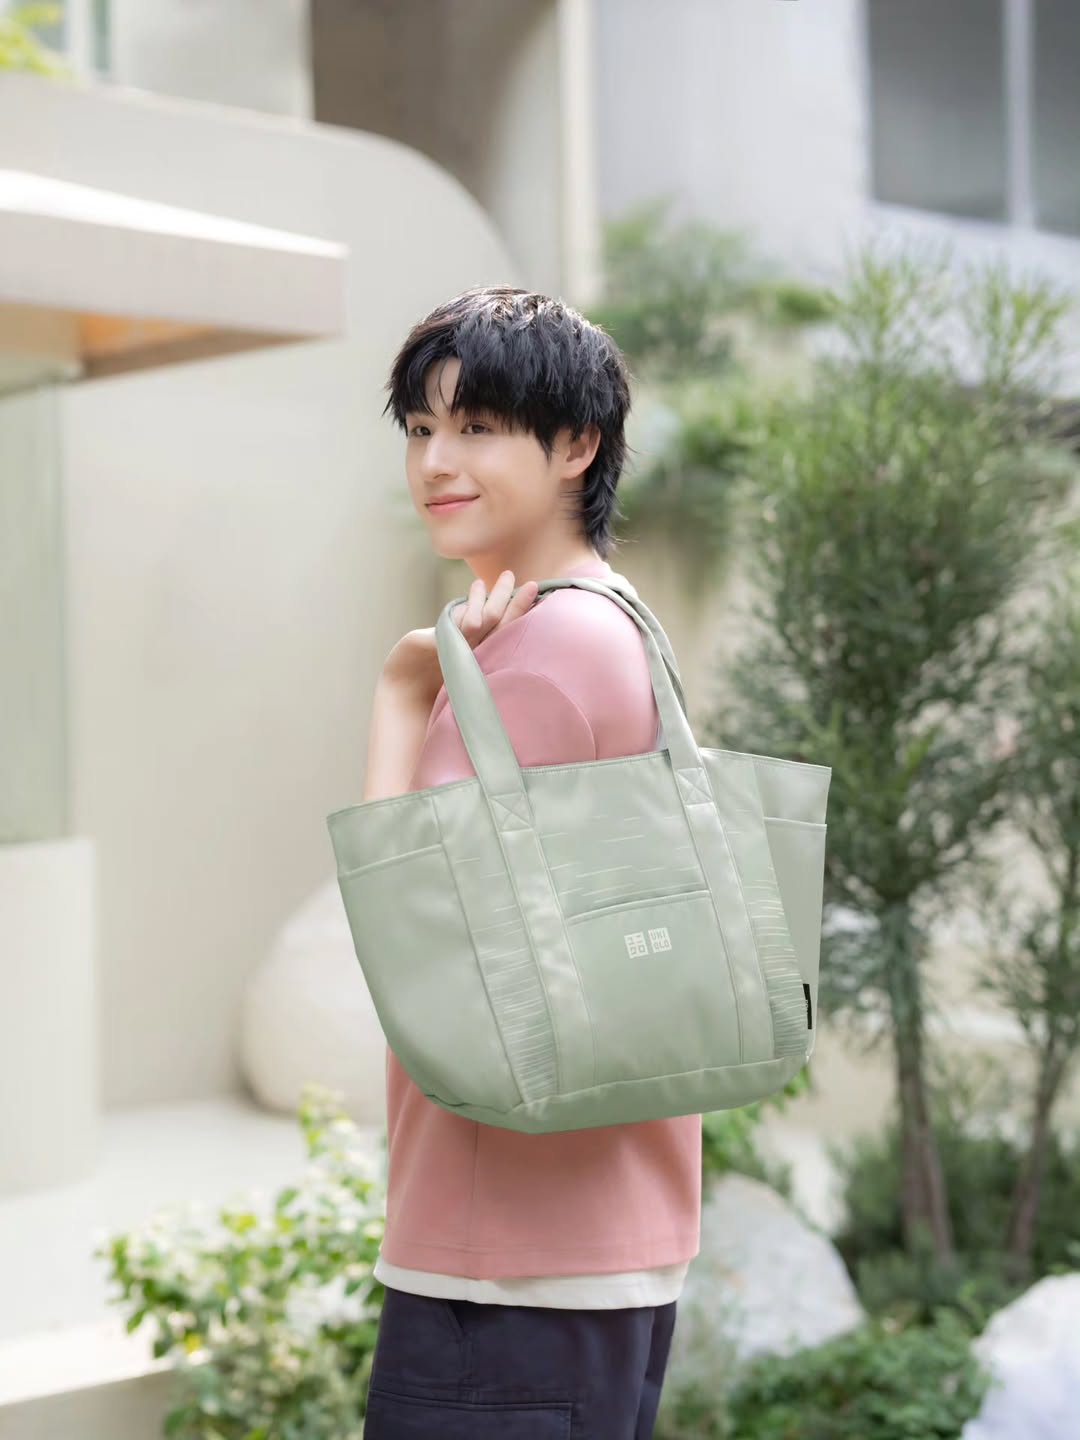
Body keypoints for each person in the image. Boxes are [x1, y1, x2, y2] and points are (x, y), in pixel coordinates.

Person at [357, 286, 701, 1438]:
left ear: (576, 445)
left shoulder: (544, 650)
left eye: (478, 426)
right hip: (591, 1252)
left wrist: (401, 694)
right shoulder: (614, 617)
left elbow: (412, 937)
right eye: (420, 428)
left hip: (503, 1269)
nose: (435, 462)